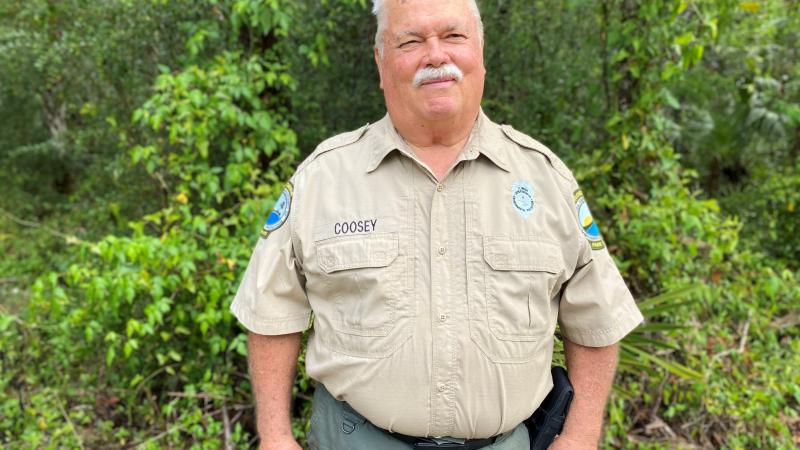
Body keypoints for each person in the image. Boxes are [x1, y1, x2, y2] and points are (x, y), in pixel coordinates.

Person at [230, 0, 644, 449]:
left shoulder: (546, 180)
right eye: (410, 41)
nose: (435, 55)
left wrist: (581, 436)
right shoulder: (324, 179)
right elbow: (271, 312)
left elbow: (596, 319)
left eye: (453, 36)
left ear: (480, 52)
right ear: (381, 61)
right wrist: (274, 436)